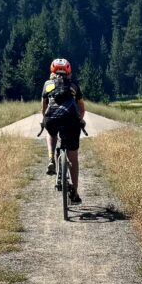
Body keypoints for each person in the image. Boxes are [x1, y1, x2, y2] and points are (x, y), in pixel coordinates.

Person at [40, 58, 85, 203]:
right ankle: (75, 193)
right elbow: (81, 109)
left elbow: (44, 108)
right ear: (69, 72)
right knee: (73, 157)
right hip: (71, 122)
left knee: (51, 132)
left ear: (52, 72)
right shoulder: (74, 86)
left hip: (52, 119)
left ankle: (51, 158)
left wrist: (45, 120)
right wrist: (80, 120)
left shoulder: (47, 85)